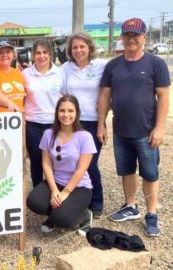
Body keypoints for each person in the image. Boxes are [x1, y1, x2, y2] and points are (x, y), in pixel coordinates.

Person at [97, 18, 170, 237]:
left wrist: (160, 128)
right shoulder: (113, 65)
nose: (131, 39)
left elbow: (163, 97)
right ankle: (130, 206)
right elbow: (104, 96)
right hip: (121, 130)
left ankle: (151, 214)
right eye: (127, 35)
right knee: (127, 171)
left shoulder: (155, 64)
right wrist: (101, 124)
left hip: (146, 131)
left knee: (149, 173)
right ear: (121, 37)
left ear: (144, 37)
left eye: (135, 36)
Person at [26, 95, 96, 235]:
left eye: (70, 111)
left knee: (63, 219)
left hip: (78, 186)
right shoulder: (48, 134)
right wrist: (53, 190)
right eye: (62, 110)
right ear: (57, 112)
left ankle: (84, 215)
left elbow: (82, 169)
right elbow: (46, 164)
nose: (66, 115)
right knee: (33, 202)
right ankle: (55, 212)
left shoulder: (85, 137)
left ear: (77, 113)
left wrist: (65, 192)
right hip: (55, 182)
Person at [60, 32, 107, 218]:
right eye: (74, 48)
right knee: (72, 163)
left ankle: (97, 202)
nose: (78, 51)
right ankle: (75, 200)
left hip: (94, 121)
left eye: (82, 46)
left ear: (89, 47)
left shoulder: (102, 66)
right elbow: (61, 93)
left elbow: (108, 93)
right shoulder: (65, 68)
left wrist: (103, 122)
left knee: (90, 164)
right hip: (72, 122)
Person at [22, 39, 63, 188]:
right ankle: (38, 192)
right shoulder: (25, 74)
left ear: (50, 54)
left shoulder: (60, 73)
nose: (41, 56)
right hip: (33, 124)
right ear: (33, 55)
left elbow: (66, 98)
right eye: (38, 53)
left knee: (56, 159)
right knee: (36, 160)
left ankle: (56, 191)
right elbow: (21, 98)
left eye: (45, 52)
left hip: (54, 124)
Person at [0, 39, 25, 113]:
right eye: (0, 52)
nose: (5, 55)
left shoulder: (18, 73)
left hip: (16, 121)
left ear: (13, 54)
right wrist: (9, 103)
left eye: (8, 52)